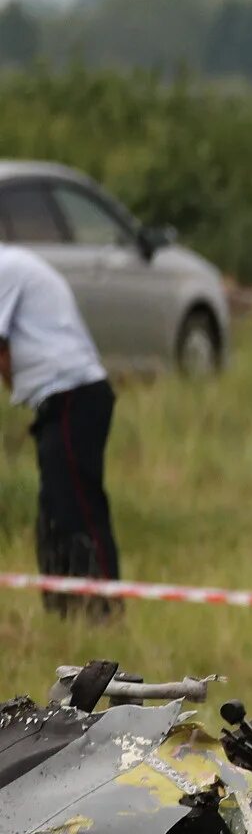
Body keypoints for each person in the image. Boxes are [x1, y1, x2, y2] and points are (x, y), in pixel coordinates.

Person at [0, 242, 119, 621]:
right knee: (54, 511)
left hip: (73, 395)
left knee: (79, 509)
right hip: (56, 400)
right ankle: (65, 615)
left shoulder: (6, 266)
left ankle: (104, 612)